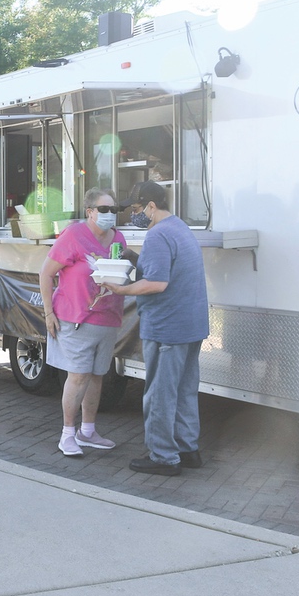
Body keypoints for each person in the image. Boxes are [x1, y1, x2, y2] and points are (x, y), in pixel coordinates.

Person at [105, 181, 209, 476]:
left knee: (160, 394)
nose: (134, 214)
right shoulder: (180, 228)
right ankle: (188, 450)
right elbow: (165, 271)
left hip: (167, 328)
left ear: (152, 206)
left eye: (137, 209)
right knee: (185, 390)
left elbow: (157, 283)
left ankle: (163, 456)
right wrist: (133, 258)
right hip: (191, 325)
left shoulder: (158, 235)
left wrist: (119, 289)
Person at [40, 187, 132, 457]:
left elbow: (121, 273)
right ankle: (67, 434)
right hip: (75, 317)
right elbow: (46, 273)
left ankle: (88, 431)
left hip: (107, 318)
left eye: (113, 210)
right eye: (104, 210)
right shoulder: (74, 235)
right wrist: (48, 312)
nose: (109, 215)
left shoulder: (119, 239)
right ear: (89, 211)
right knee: (78, 376)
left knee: (96, 376)